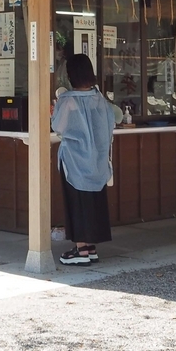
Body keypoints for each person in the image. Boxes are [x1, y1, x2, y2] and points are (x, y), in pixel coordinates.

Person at [51, 53, 115, 265]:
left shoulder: (67, 100)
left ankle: (80, 250)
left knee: (76, 201)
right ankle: (91, 246)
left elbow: (58, 126)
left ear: (71, 75)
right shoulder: (100, 99)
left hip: (74, 160)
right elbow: (111, 123)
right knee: (94, 201)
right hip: (97, 160)